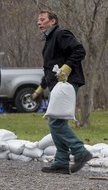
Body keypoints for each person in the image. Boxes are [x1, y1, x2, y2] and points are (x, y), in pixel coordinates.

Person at [33, 10, 92, 174]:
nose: (39, 22)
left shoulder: (61, 34)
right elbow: (52, 67)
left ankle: (80, 151)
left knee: (55, 122)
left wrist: (67, 68)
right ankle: (61, 161)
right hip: (56, 84)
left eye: (42, 19)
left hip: (66, 83)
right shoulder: (49, 39)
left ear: (53, 21)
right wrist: (41, 87)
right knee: (56, 121)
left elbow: (79, 50)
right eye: (38, 20)